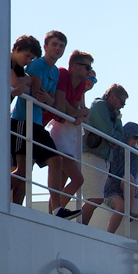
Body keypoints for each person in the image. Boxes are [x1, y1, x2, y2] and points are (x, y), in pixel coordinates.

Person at [10, 30, 79, 219]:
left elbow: (55, 103)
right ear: (46, 46)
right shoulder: (38, 64)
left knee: (52, 162)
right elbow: (37, 93)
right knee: (24, 171)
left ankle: (57, 209)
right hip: (23, 120)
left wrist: (48, 99)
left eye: (62, 46)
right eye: (55, 44)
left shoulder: (55, 71)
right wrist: (48, 99)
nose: (58, 48)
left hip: (37, 122)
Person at [43, 50, 92, 213]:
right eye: (87, 67)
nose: (89, 72)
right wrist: (78, 113)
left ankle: (55, 212)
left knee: (62, 181)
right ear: (76, 67)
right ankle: (56, 212)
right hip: (55, 131)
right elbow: (62, 106)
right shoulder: (63, 74)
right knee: (77, 179)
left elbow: (78, 113)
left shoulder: (79, 87)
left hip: (60, 132)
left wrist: (77, 113)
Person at [81, 84, 127, 225]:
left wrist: (114, 131)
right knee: (95, 199)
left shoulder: (114, 114)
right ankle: (79, 226)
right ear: (112, 96)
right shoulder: (100, 106)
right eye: (122, 102)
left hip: (103, 158)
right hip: (92, 156)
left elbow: (120, 136)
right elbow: (108, 132)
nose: (123, 106)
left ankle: (81, 226)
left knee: (94, 198)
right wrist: (113, 136)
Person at [104, 122, 138, 233]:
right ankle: (109, 234)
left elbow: (135, 174)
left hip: (126, 190)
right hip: (110, 190)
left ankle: (129, 211)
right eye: (134, 137)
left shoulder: (134, 154)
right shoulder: (113, 148)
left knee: (129, 179)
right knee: (120, 206)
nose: (136, 141)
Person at [10, 35, 39, 101]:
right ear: (17, 49)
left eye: (31, 58)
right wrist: (26, 81)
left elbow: (28, 90)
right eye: (27, 56)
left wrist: (27, 80)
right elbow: (14, 85)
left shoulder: (19, 68)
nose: (28, 61)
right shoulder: (4, 60)